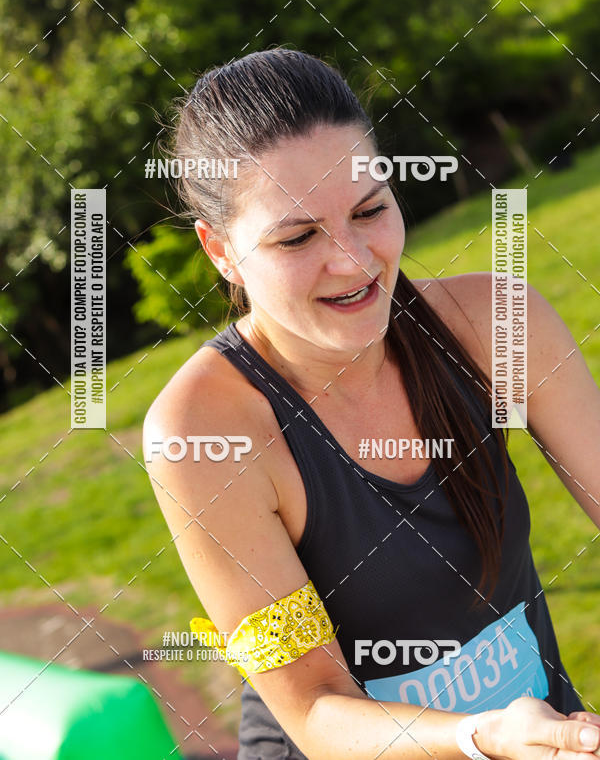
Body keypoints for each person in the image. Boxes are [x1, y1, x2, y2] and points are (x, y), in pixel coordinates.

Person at [143, 48, 600, 760]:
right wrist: (480, 736)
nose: (354, 260)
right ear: (221, 251)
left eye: (370, 210)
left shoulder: (497, 324)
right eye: (298, 236)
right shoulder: (201, 434)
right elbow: (313, 707)